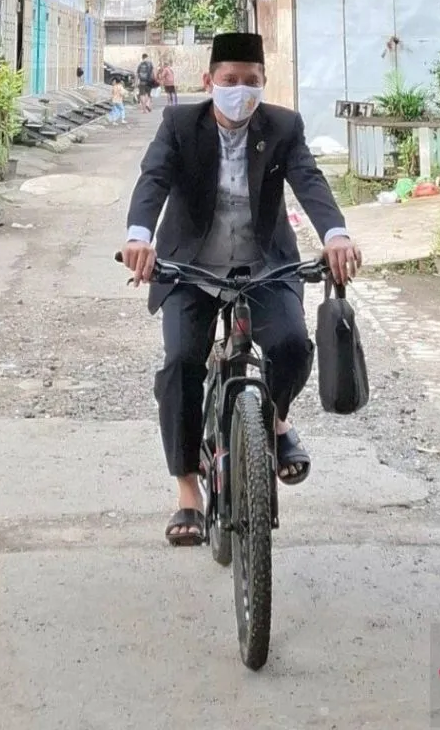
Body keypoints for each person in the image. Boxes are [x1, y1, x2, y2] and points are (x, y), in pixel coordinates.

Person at [120, 32, 363, 545]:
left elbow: (309, 180)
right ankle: (188, 491)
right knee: (181, 364)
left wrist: (336, 234)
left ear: (263, 83)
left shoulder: (283, 126)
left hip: (263, 266)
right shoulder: (180, 124)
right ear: (209, 82)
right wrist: (139, 236)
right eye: (229, 80)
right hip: (190, 269)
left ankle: (274, 421)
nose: (240, 90)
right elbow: (153, 178)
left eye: (251, 81)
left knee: (292, 347)